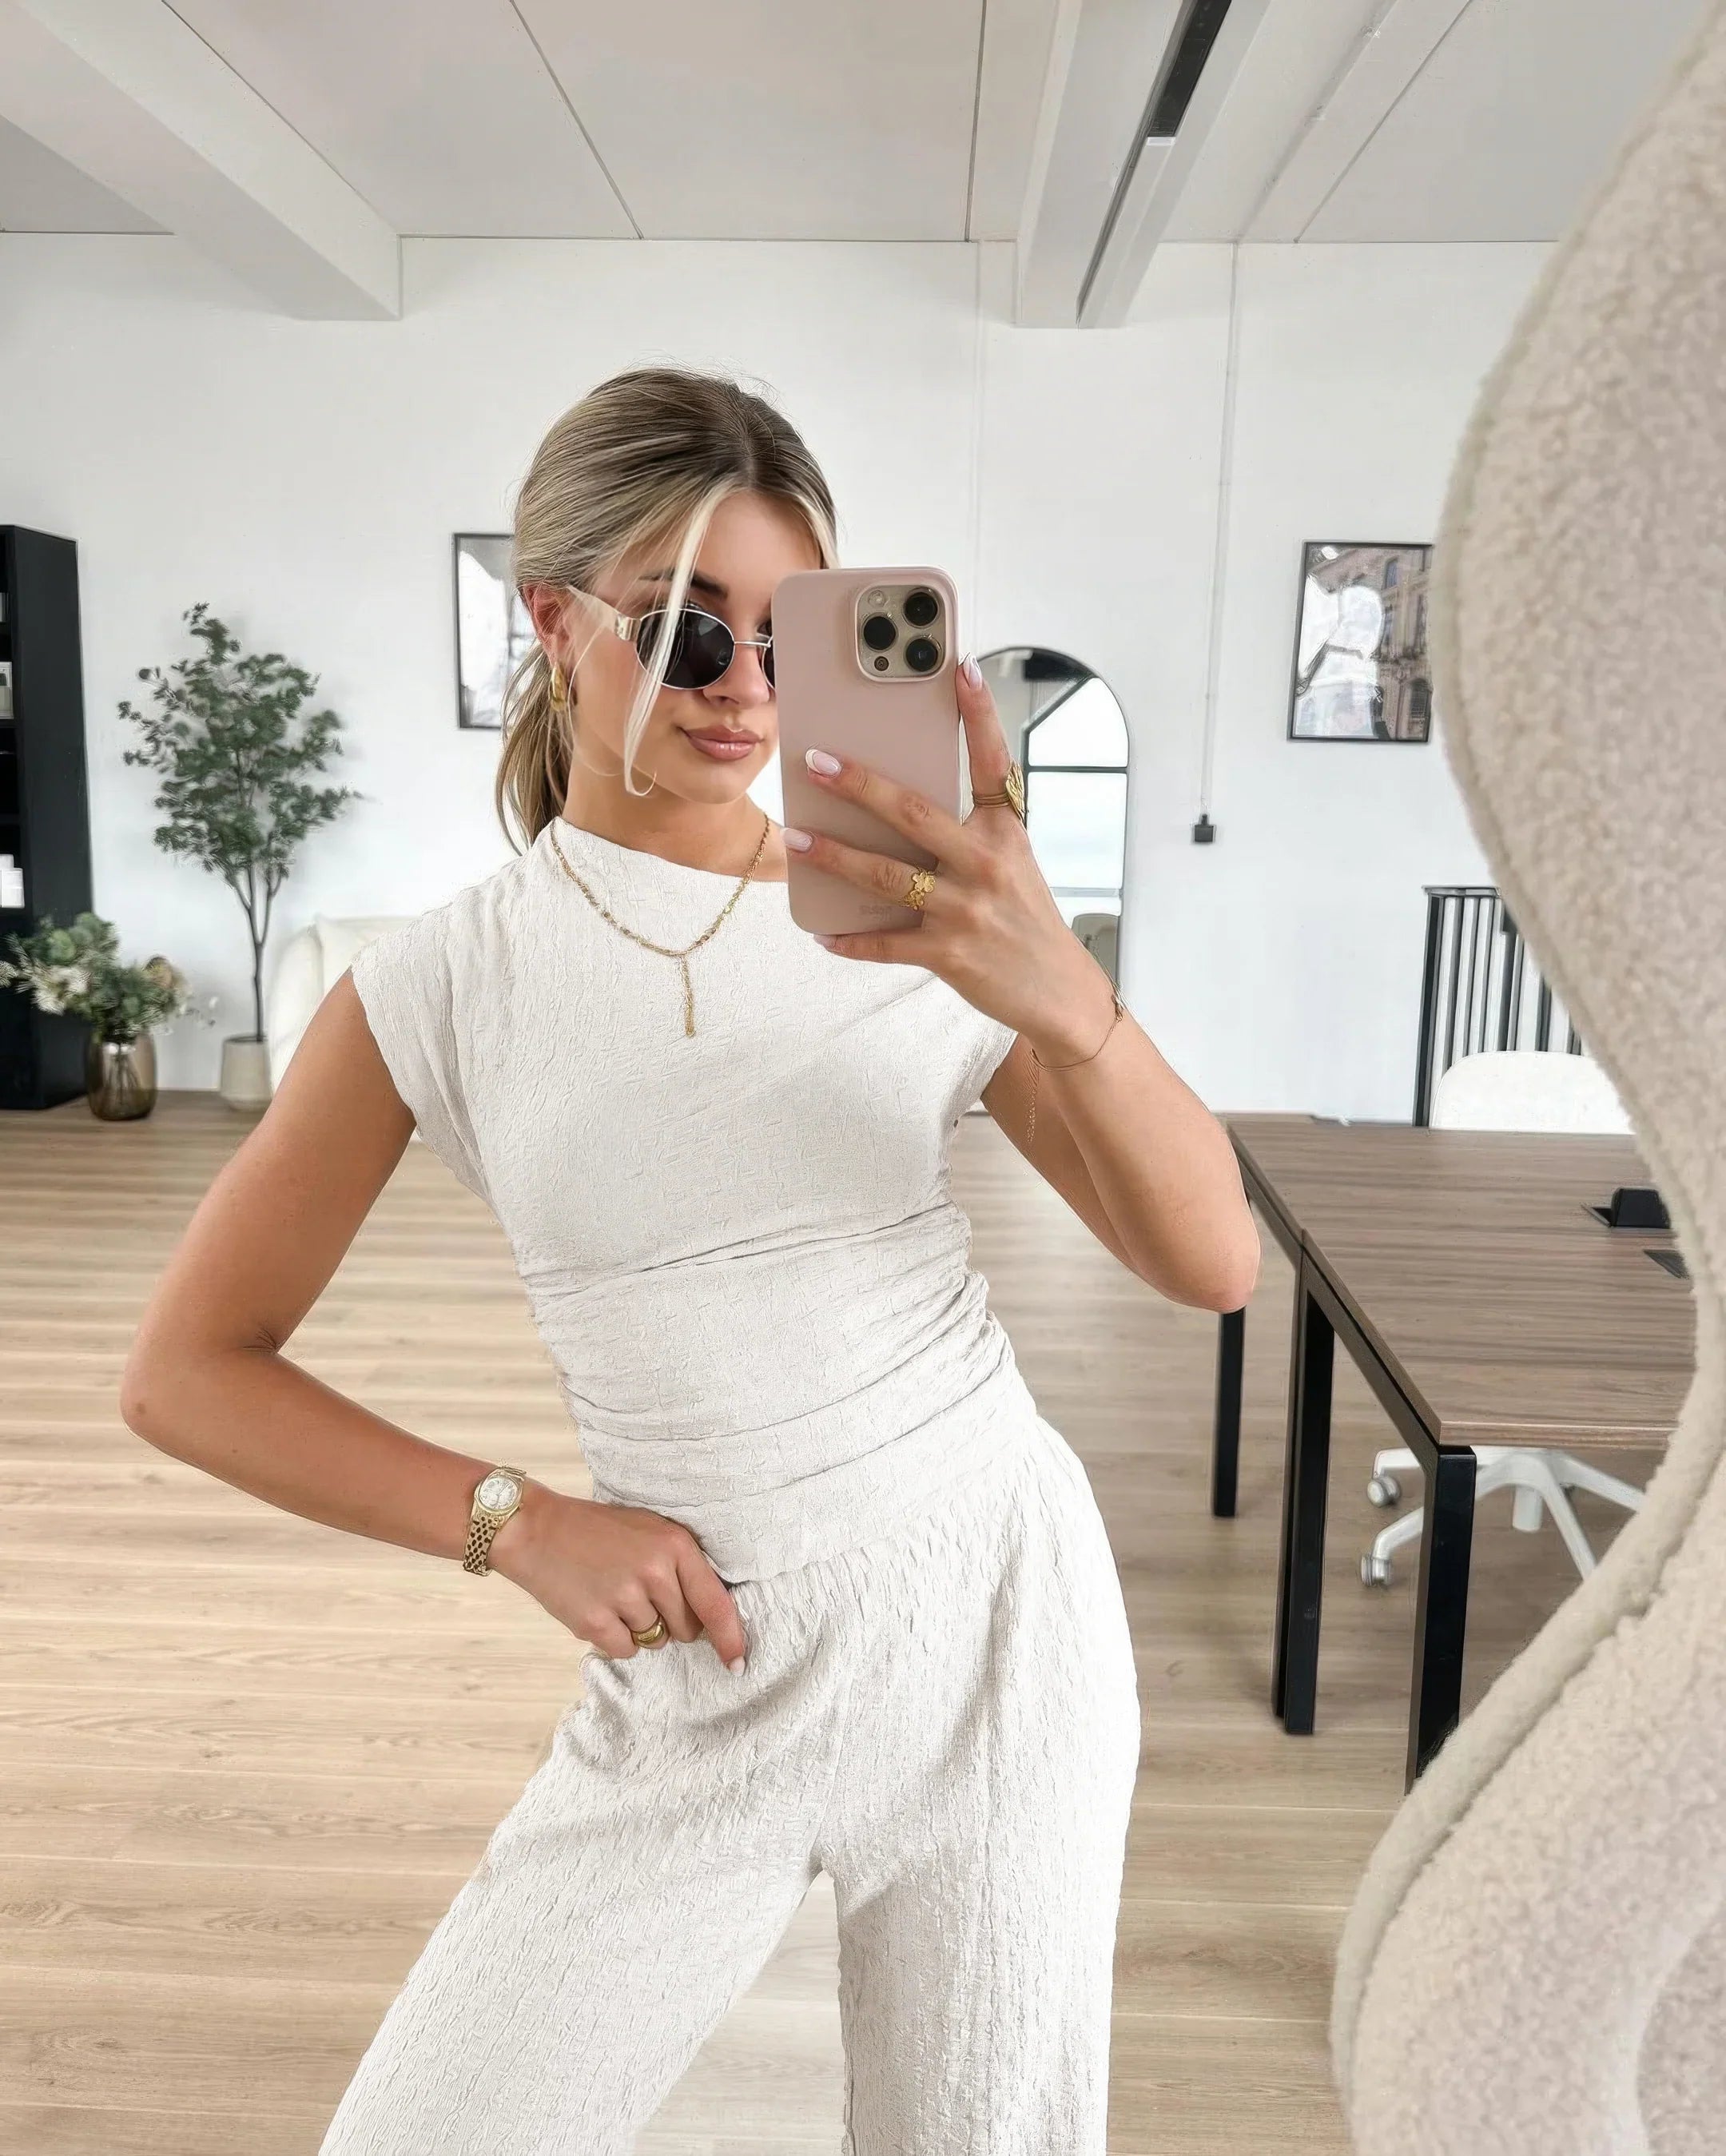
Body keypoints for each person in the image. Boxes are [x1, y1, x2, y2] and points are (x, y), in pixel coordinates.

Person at [121, 364, 1259, 2154]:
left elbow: (1214, 1263)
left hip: (998, 1622)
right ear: (551, 620)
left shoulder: (918, 921)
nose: (745, 688)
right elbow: (184, 1371)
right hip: (701, 1669)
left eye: (787, 637)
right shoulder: (439, 986)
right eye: (686, 628)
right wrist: (515, 1522)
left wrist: (1067, 994)